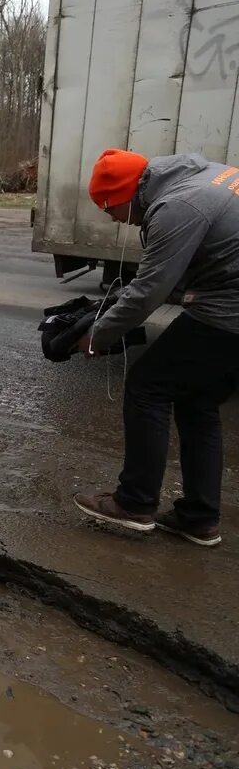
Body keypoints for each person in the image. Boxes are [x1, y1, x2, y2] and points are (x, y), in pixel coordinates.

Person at [73, 148, 239, 547]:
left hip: (229, 311)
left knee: (148, 386)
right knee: (198, 400)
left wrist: (98, 335)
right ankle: (198, 517)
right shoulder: (210, 175)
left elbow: (149, 291)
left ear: (124, 197)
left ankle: (134, 503)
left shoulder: (177, 207)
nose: (114, 220)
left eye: (110, 210)